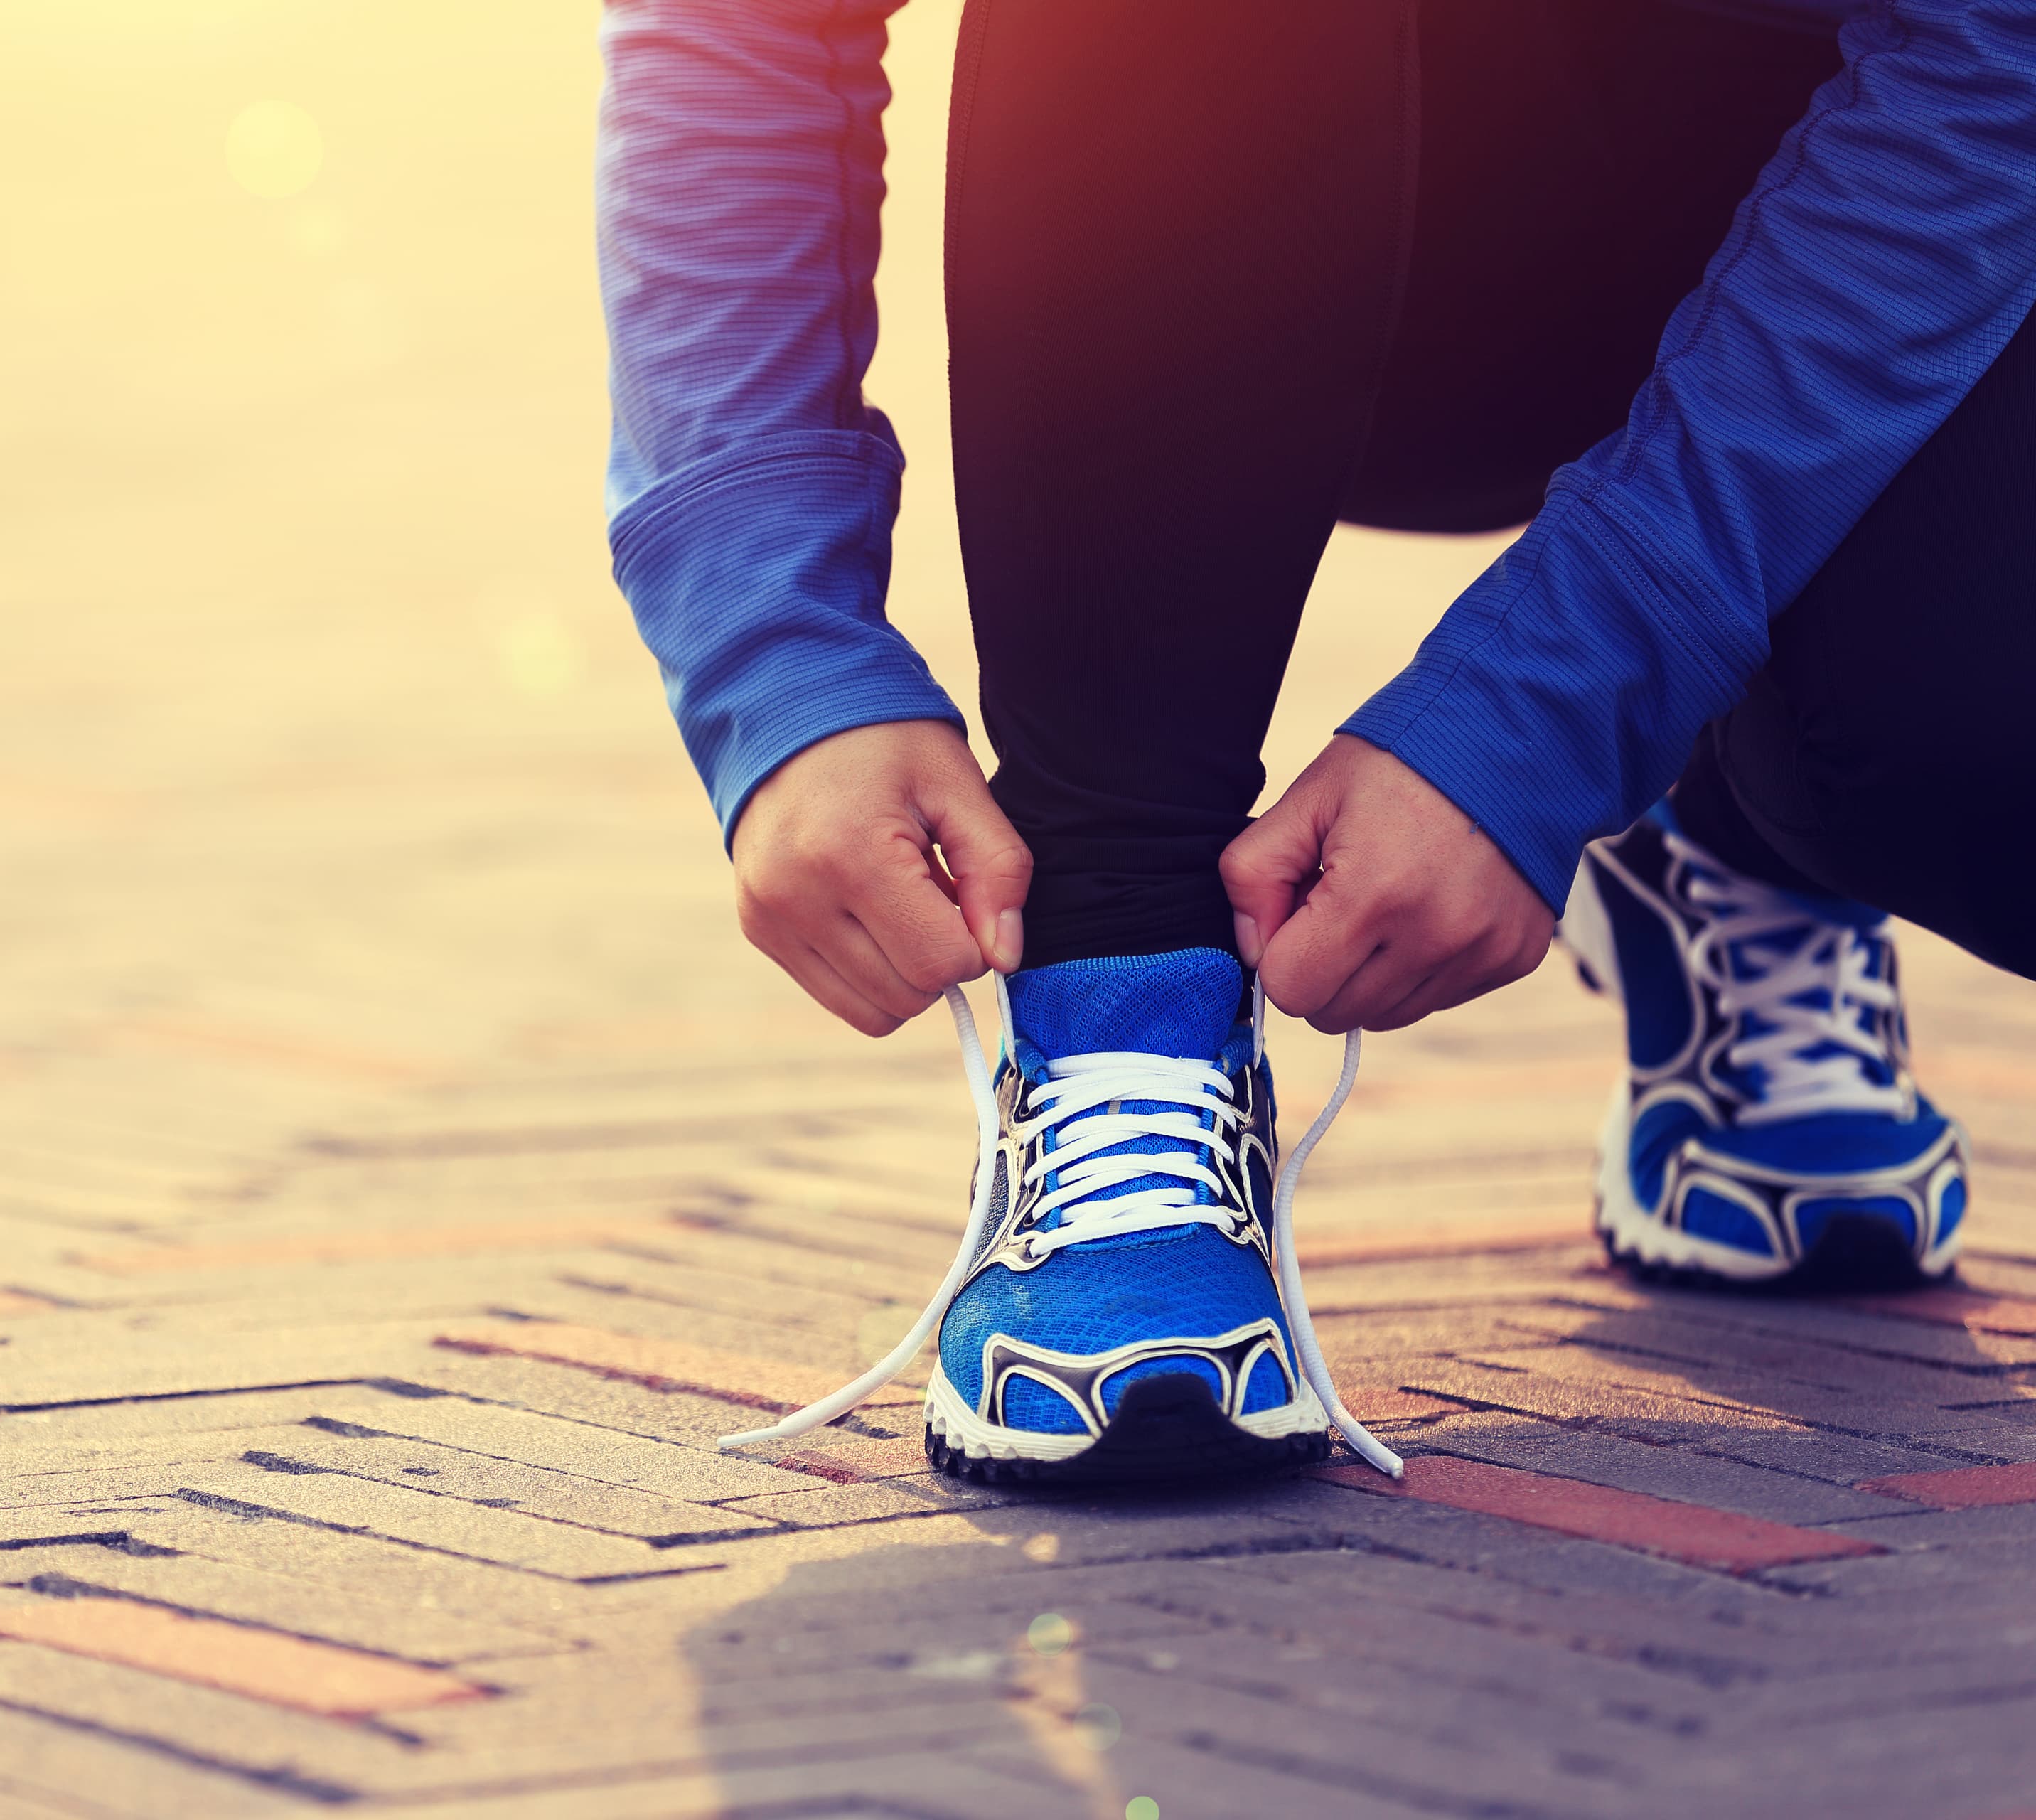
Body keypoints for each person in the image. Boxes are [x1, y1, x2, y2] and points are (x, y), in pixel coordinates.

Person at [599, 0, 2036, 1482]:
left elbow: (1993, 62)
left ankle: (1725, 823)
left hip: (1895, 201)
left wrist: (1562, 698)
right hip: (1293, 188)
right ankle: (1124, 991)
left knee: (1989, 745)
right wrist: (777, 654)